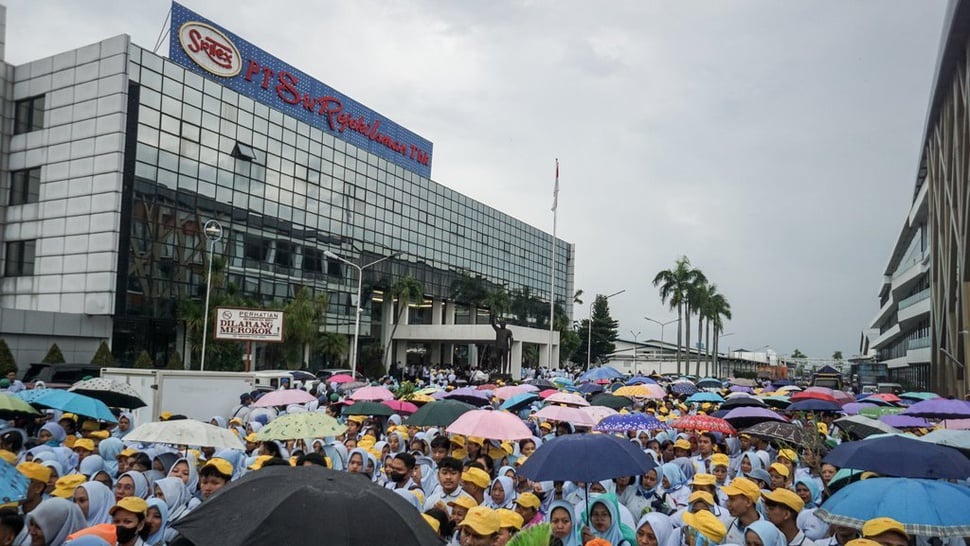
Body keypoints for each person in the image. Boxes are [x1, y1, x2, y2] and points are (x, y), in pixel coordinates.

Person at [722, 477, 764, 545]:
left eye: (732, 499)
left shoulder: (766, 531)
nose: (728, 503)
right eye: (728, 499)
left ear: (748, 502)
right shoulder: (729, 523)